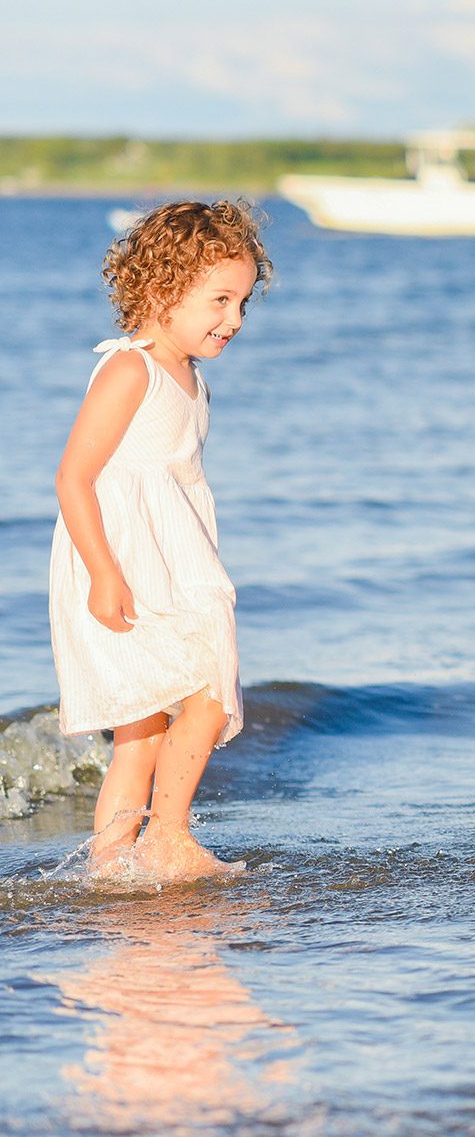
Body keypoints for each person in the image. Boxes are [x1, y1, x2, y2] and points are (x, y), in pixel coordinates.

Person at [51, 201, 272, 879]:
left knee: (144, 733)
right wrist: (103, 574)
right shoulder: (132, 370)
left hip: (173, 560)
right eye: (220, 300)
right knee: (203, 692)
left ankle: (113, 870)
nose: (235, 319)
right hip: (122, 562)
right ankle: (167, 838)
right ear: (162, 289)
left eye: (243, 302)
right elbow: (73, 478)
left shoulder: (192, 378)